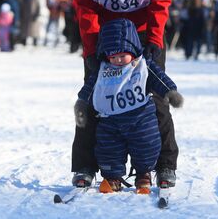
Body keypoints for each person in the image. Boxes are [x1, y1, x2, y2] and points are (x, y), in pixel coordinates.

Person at [72, 0, 177, 189]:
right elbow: (84, 1)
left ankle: (164, 165)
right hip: (105, 38)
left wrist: (154, 42)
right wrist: (91, 48)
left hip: (145, 33)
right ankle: (85, 166)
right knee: (94, 99)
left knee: (155, 99)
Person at [74, 19, 183, 194]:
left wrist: (170, 92)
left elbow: (159, 78)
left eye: (122, 55)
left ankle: (143, 174)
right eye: (113, 56)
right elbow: (90, 87)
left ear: (132, 50)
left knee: (146, 146)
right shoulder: (103, 68)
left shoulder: (141, 65)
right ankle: (112, 177)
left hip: (141, 120)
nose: (117, 60)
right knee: (108, 149)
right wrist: (81, 104)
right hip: (110, 121)